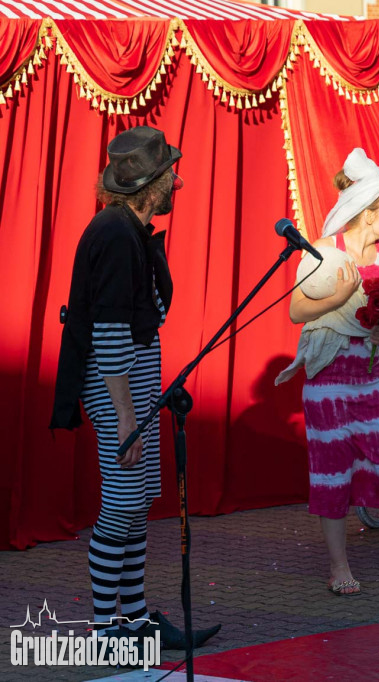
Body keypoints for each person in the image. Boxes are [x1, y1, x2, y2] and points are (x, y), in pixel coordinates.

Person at [50, 126, 218, 651]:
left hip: (133, 389)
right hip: (115, 390)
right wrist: (125, 416)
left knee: (137, 502)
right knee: (120, 506)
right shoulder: (116, 235)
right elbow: (110, 331)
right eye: (171, 173)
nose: (179, 181)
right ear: (151, 184)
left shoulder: (127, 230)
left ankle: (136, 619)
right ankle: (105, 630)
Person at [279, 148, 379, 594]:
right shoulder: (323, 253)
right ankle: (338, 567)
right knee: (331, 473)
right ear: (368, 213)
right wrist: (339, 298)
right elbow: (296, 310)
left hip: (376, 377)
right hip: (328, 383)